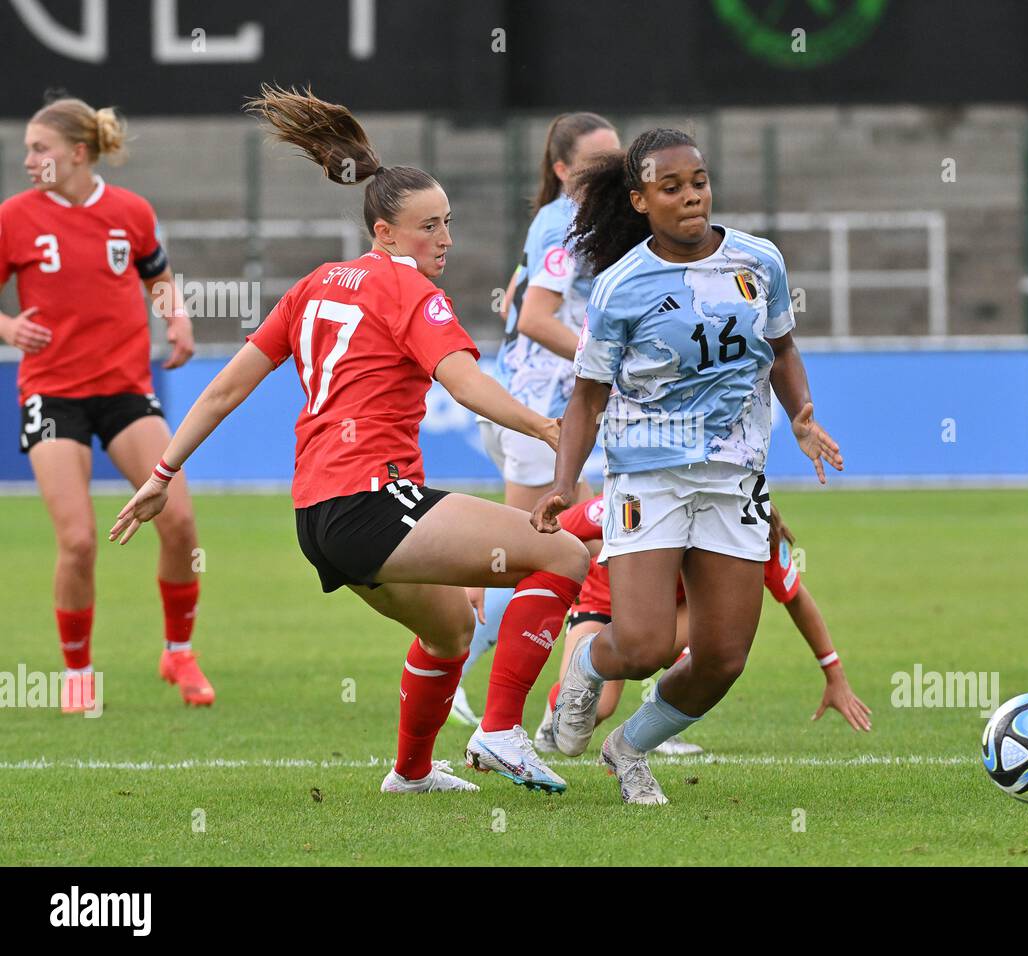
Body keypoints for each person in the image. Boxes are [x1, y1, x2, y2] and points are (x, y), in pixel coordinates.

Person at [110, 85, 589, 795]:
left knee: (452, 630)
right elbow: (462, 382)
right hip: (371, 501)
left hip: (319, 518)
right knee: (565, 554)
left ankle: (413, 773)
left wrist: (162, 472)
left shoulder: (313, 286)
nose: (445, 239)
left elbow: (225, 389)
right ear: (385, 233)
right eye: (428, 226)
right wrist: (549, 428)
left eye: (448, 222)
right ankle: (501, 729)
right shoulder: (409, 291)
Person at [533, 128, 843, 804]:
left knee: (724, 659)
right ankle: (586, 664)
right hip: (649, 476)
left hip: (734, 479)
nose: (691, 196)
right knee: (641, 646)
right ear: (641, 200)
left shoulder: (760, 261)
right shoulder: (620, 287)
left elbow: (782, 349)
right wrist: (563, 484)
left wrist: (802, 416)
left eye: (698, 181)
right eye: (671, 187)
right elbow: (588, 396)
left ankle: (630, 748)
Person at [0, 96, 209, 713]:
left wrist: (178, 320)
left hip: (124, 391)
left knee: (179, 522)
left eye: (40, 148)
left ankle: (178, 651)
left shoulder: (130, 212)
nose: (29, 158)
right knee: (80, 541)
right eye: (29, 148)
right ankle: (78, 673)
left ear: (78, 153)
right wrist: (10, 330)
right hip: (52, 394)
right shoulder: (13, 218)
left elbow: (158, 277)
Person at [451, 112, 619, 727]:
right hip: (541, 413)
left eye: (618, 160)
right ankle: (456, 671)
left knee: (589, 543)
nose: (613, 171)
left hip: (553, 409)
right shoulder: (564, 224)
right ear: (561, 170)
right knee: (536, 549)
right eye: (597, 163)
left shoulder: (584, 223)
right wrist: (608, 358)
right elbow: (535, 318)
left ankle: (572, 704)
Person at [533, 499, 871, 755]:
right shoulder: (642, 500)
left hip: (659, 616)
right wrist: (492, 577)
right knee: (600, 708)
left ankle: (645, 734)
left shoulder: (753, 533)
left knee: (712, 639)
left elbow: (797, 599)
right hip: (600, 601)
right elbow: (556, 528)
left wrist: (834, 672)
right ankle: (553, 710)